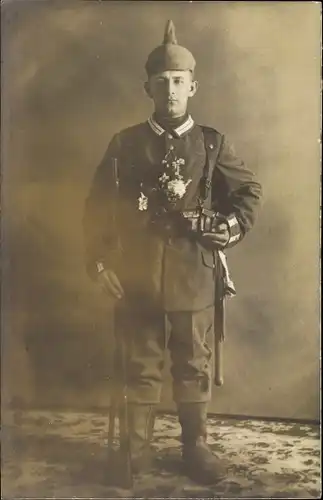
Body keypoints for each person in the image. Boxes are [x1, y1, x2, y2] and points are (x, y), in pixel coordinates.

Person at [83, 20, 262, 485]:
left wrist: (229, 226)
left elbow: (247, 195)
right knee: (140, 360)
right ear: (148, 88)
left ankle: (195, 447)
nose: (170, 91)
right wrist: (99, 260)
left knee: (192, 361)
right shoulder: (124, 144)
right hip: (138, 273)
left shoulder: (211, 142)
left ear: (192, 87)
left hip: (194, 272)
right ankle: (135, 449)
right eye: (161, 82)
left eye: (178, 82)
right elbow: (97, 206)